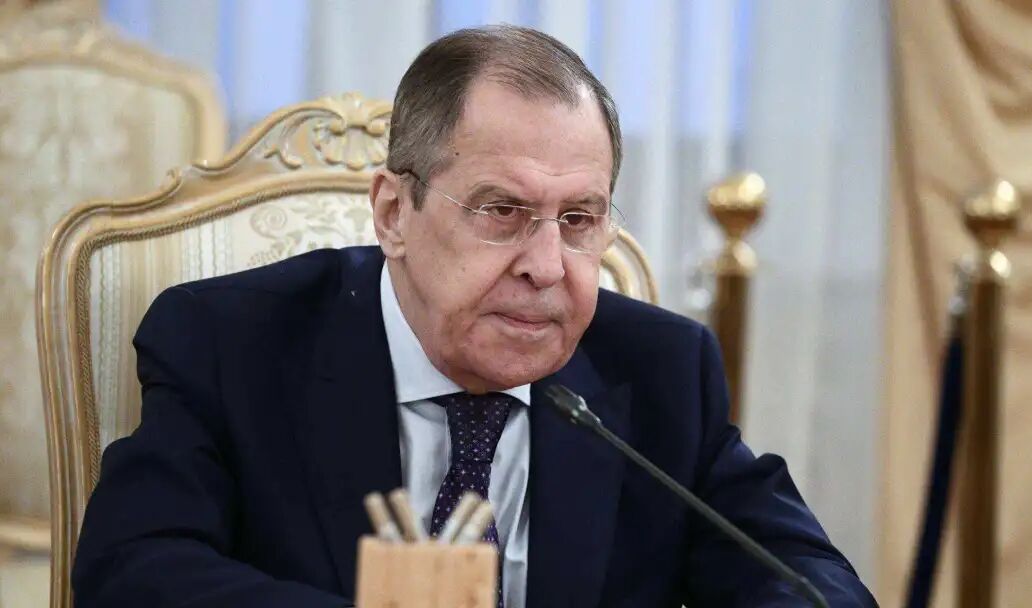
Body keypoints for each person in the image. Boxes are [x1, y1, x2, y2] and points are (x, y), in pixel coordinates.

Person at [73, 25, 876, 607]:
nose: (546, 265)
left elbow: (813, 584)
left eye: (579, 219)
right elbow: (133, 571)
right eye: (501, 211)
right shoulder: (231, 343)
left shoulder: (661, 372)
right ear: (394, 213)